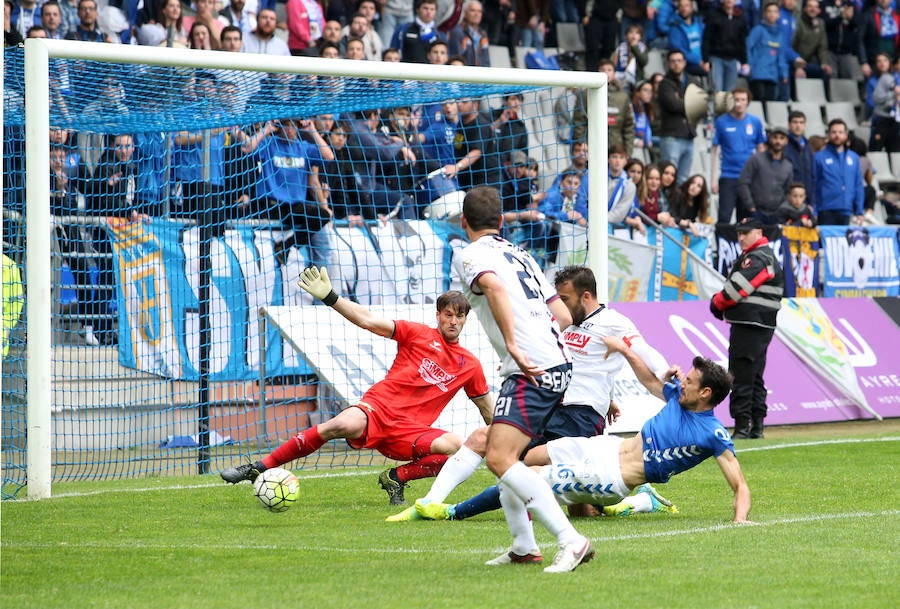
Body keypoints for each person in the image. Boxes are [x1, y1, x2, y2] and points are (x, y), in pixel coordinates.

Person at [387, 265, 674, 523]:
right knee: (482, 438)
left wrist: (665, 372)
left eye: (565, 299)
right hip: (548, 406)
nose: (559, 306)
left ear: (586, 296)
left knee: (579, 507)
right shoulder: (561, 324)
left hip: (580, 417)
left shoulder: (613, 322)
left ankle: (641, 502)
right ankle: (427, 504)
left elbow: (643, 351)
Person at [220, 274, 494, 506]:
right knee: (339, 424)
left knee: (457, 448)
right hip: (377, 409)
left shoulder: (470, 365)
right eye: (448, 315)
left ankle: (397, 478)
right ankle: (259, 467)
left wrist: (507, 444)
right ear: (438, 315)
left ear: (465, 319)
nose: (453, 321)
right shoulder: (417, 333)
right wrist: (331, 298)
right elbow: (368, 320)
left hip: (410, 431)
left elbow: (487, 410)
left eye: (459, 316)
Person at [452, 186, 593, 573]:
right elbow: (563, 317)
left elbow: (494, 286)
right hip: (555, 362)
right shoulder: (523, 254)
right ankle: (523, 546)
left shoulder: (469, 254)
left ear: (463, 222)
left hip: (532, 367)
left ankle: (571, 540)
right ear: (501, 221)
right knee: (505, 457)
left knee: (499, 457)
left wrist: (514, 344)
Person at [529, 340, 751, 523]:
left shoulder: (713, 433)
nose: (682, 383)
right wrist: (625, 350)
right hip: (607, 447)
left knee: (527, 479)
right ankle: (643, 501)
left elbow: (740, 486)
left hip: (612, 476)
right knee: (528, 457)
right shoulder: (678, 398)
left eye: (689, 381)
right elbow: (649, 380)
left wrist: (740, 520)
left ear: (705, 393)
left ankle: (637, 503)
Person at [709, 217, 784, 439]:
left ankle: (742, 426)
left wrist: (717, 303)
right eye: (739, 233)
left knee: (740, 374)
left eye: (746, 232)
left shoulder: (757, 257)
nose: (741, 237)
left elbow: (736, 290)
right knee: (754, 376)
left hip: (750, 323)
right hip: (760, 323)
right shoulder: (765, 255)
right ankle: (756, 426)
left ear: (759, 232)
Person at [712, 87, 767, 224]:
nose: (739, 103)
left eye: (743, 99)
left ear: (748, 102)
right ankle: (722, 240)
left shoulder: (755, 122)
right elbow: (714, 151)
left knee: (745, 220)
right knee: (724, 217)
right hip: (728, 176)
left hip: (748, 179)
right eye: (736, 99)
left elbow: (760, 149)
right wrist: (713, 179)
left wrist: (761, 177)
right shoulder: (721, 122)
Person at [657, 49, 702, 184]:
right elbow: (673, 105)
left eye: (679, 61)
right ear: (668, 63)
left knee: (683, 179)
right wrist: (690, 101)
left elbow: (700, 104)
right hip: (671, 136)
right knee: (667, 177)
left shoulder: (693, 81)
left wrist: (681, 100)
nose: (676, 64)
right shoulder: (665, 83)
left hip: (689, 135)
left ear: (684, 62)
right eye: (673, 61)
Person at [737, 125, 794, 225]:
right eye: (775, 137)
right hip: (755, 212)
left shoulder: (788, 166)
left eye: (782, 138)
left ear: (786, 141)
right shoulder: (756, 159)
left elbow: (788, 190)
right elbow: (743, 182)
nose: (778, 141)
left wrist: (782, 209)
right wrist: (750, 206)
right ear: (770, 138)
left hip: (777, 214)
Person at [813, 118, 865, 225]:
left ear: (846, 135)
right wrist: (814, 209)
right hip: (825, 210)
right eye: (834, 132)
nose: (837, 135)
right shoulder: (819, 157)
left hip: (847, 209)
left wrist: (859, 210)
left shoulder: (854, 157)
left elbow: (858, 185)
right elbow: (813, 184)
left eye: (840, 132)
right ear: (828, 134)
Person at [703, 0, 750, 94]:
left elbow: (742, 42)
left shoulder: (740, 18)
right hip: (716, 57)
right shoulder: (714, 16)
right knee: (716, 89)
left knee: (730, 92)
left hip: (733, 59)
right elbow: (706, 39)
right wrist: (705, 60)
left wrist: (744, 62)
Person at [746, 1, 788, 103]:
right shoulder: (758, 30)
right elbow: (747, 47)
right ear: (764, 14)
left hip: (773, 76)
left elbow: (781, 56)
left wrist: (784, 74)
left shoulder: (780, 33)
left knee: (771, 105)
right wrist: (749, 65)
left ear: (778, 15)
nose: (772, 14)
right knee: (759, 103)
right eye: (769, 11)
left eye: (775, 12)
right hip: (758, 75)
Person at [783, 109, 816, 212]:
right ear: (789, 125)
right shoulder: (784, 145)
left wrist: (811, 202)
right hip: (788, 200)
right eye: (795, 122)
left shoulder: (808, 147)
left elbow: (811, 176)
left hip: (805, 199)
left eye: (801, 123)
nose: (798, 126)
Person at [667, 0, 708, 77]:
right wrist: (698, 61)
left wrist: (706, 60)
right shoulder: (675, 27)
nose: (684, 8)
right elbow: (678, 49)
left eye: (686, 5)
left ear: (692, 8)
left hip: (704, 61)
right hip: (687, 64)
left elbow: (707, 42)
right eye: (681, 6)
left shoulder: (700, 24)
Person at [448, 0, 490, 66]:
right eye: (473, 10)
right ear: (465, 13)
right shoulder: (457, 32)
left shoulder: (483, 34)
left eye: (479, 11)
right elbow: (455, 58)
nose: (477, 14)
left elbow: (486, 60)